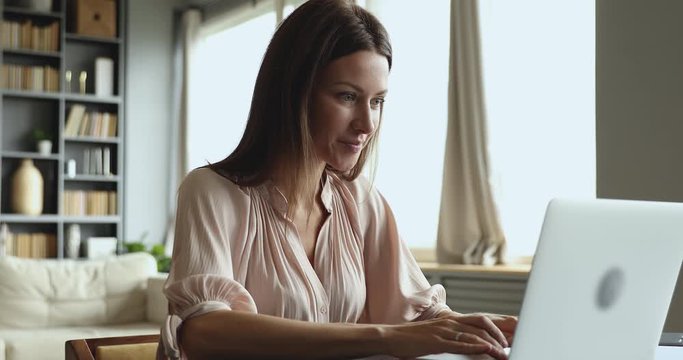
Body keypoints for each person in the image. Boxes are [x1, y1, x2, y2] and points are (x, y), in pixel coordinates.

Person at [159, 0, 517, 359]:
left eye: (377, 101)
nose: (367, 124)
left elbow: (418, 313)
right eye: (347, 96)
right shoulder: (211, 192)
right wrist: (385, 337)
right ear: (293, 92)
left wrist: (474, 330)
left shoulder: (360, 200)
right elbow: (203, 330)